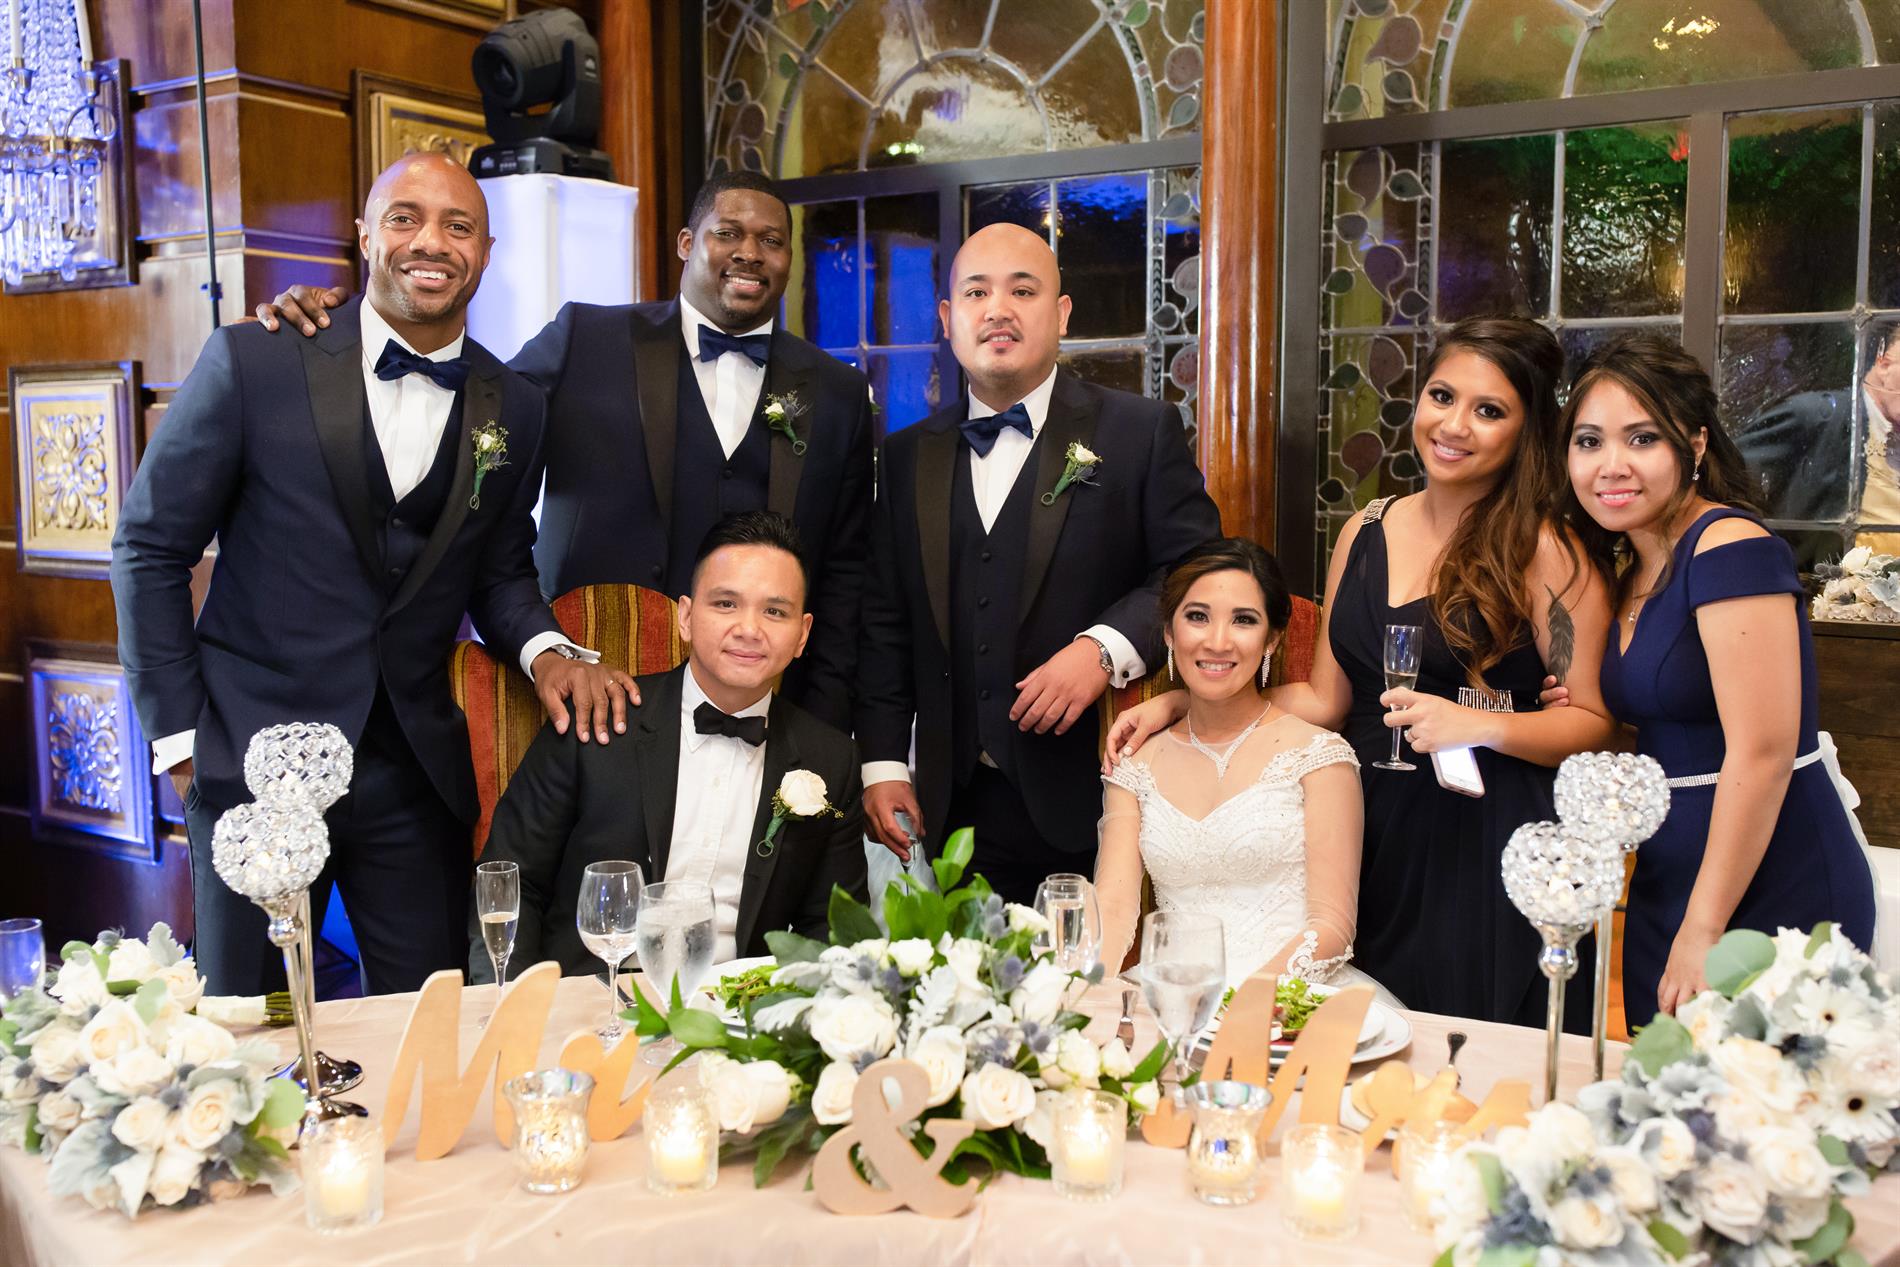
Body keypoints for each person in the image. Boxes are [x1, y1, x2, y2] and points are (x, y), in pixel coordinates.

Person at [111, 153, 631, 995]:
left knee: (428, 1019)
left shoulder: (515, 405)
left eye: (458, 226)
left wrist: (548, 651)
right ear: (364, 237)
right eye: (404, 218)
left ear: (486, 252)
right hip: (254, 762)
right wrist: (179, 739)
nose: (432, 242)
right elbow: (148, 546)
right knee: (250, 1024)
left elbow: (500, 571)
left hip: (413, 774)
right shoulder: (256, 360)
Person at [1110, 316, 1617, 1029]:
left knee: (1468, 1051)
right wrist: (1183, 704)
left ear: (1526, 431)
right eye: (1442, 396)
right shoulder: (1365, 528)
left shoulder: (1547, 550)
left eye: (1489, 410)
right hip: (1370, 833)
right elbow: (1325, 697)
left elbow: (1593, 724)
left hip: (1485, 841)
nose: (1454, 425)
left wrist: (1478, 724)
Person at [257, 171, 872, 733]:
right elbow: (461, 409)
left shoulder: (837, 392)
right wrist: (343, 332)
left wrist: (824, 722)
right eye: (728, 233)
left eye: (771, 241)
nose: (749, 253)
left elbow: (845, 577)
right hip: (590, 686)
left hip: (769, 706)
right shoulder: (587, 338)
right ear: (687, 243)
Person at [856, 222, 1222, 906]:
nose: (998, 309)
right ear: (948, 318)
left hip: (1100, 789)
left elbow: (1199, 571)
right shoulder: (907, 455)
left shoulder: (1138, 431)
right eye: (977, 292)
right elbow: (884, 620)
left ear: (1061, 314)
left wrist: (1103, 649)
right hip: (954, 803)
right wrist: (881, 762)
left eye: (1022, 291)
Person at [1560, 334, 1876, 1019]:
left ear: (1696, 445)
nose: (1612, 465)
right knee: (1668, 1080)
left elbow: (1762, 754)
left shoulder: (1731, 546)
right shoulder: (1632, 569)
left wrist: (1703, 928)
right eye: (1589, 442)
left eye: (1642, 438)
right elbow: (1674, 728)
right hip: (1670, 877)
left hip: (1768, 880)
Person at [471, 511, 868, 979]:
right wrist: (516, 1007)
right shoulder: (600, 719)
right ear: (686, 616)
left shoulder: (831, 760)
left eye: (774, 612)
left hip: (741, 1011)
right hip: (592, 998)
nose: (749, 629)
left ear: (802, 634)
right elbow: (511, 884)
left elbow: (833, 929)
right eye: (726, 604)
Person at [1096, 538, 1400, 1003]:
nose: (1218, 641)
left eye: (1244, 620)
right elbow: (1114, 907)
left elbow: (1332, 926)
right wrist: (1084, 993)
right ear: (1169, 633)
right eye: (1197, 616)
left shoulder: (1319, 756)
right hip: (1174, 1000)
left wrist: (1240, 1008)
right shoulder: (1135, 764)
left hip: (1288, 999)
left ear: (1271, 639)